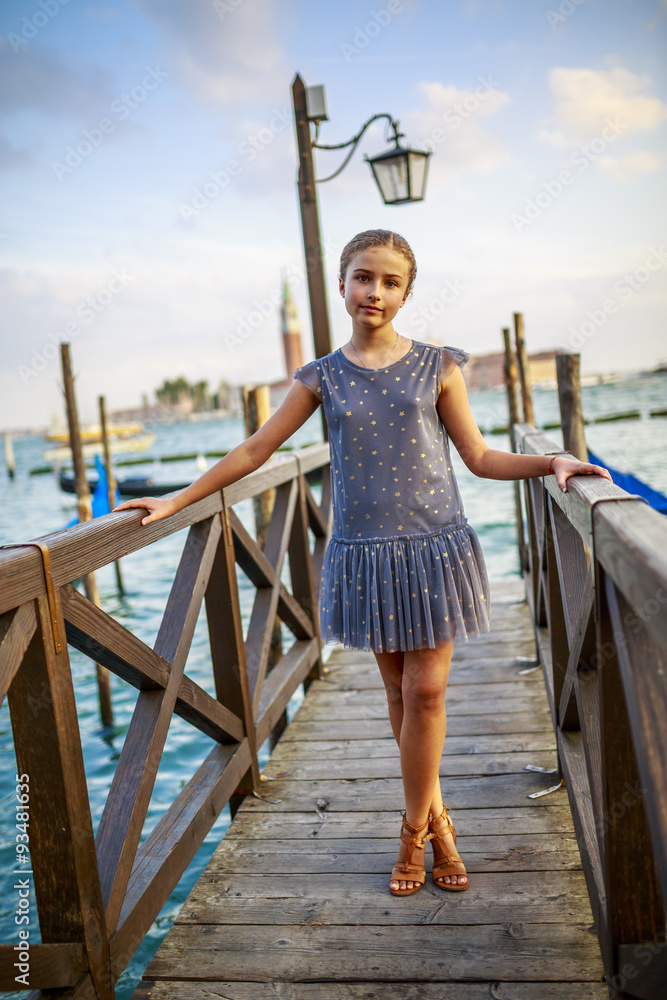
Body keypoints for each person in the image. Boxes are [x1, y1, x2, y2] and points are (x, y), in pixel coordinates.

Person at [114, 229, 611, 897]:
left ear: (406, 293)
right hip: (362, 554)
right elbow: (255, 451)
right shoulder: (321, 376)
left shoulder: (437, 365)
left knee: (424, 691)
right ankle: (437, 820)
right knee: (394, 692)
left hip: (433, 546)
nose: (373, 291)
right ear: (342, 285)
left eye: (388, 281)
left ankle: (412, 831)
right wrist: (176, 499)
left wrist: (550, 463)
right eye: (362, 277)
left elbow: (481, 458)